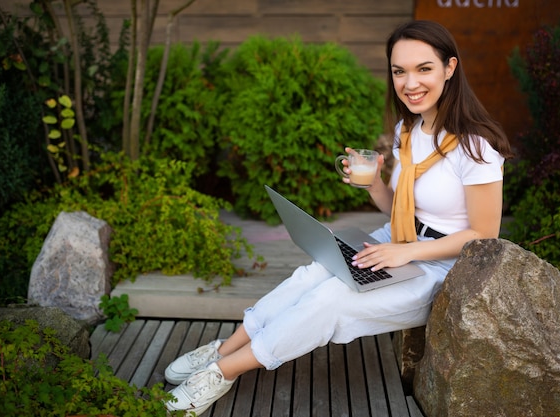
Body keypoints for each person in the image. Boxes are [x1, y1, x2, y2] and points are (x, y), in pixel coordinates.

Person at [164, 20, 513, 415]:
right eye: (399, 71)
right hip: (395, 242)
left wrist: (407, 252)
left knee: (329, 299)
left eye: (423, 68)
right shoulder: (408, 129)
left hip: (441, 268)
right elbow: (400, 208)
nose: (409, 82)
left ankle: (222, 373)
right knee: (310, 276)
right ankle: (223, 347)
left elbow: (485, 234)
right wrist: (376, 185)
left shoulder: (475, 147)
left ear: (450, 68)